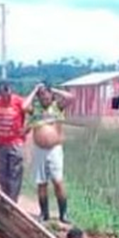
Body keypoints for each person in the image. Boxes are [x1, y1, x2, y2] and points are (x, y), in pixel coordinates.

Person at [27, 82, 75, 223]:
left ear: (51, 95)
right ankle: (44, 214)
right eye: (41, 95)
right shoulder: (35, 109)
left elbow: (71, 98)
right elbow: (24, 106)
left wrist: (53, 89)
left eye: (46, 94)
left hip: (54, 150)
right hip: (39, 150)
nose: (44, 97)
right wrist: (35, 89)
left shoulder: (57, 107)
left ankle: (63, 214)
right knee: (41, 183)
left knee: (58, 182)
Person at [0, 80, 27, 202]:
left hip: (15, 143)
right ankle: (5, 198)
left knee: (15, 173)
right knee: (2, 175)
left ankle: (13, 201)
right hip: (0, 144)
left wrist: (27, 129)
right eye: (3, 95)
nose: (6, 97)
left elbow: (32, 113)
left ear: (11, 90)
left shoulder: (19, 101)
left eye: (8, 93)